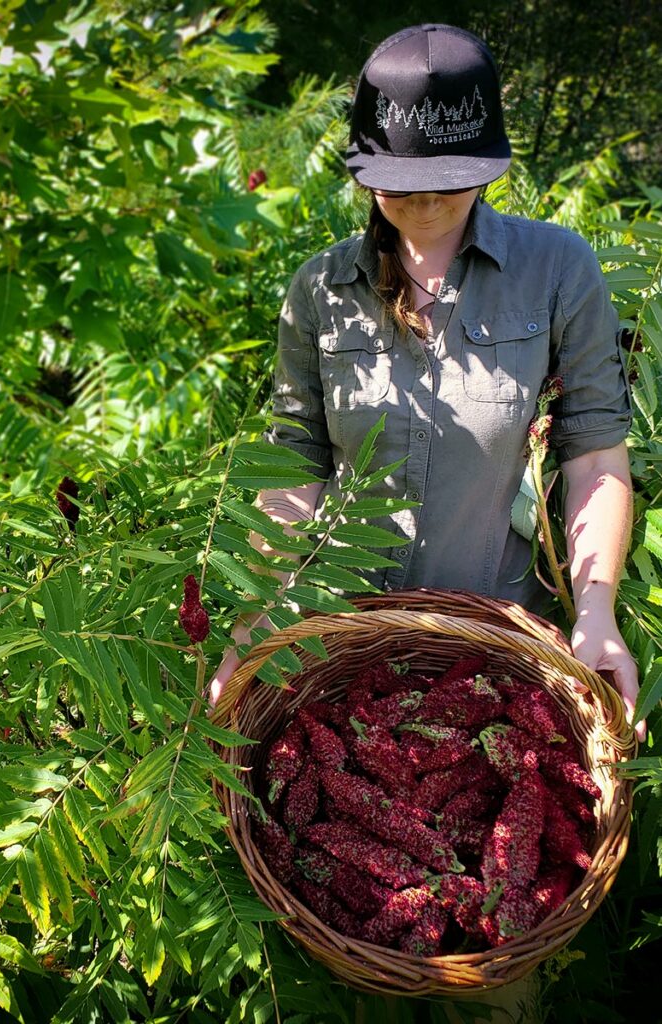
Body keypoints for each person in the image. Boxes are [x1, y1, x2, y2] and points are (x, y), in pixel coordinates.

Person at [210, 23, 642, 746]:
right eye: (400, 185)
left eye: (449, 180)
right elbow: (293, 464)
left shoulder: (557, 270)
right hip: (342, 650)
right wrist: (251, 622)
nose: (426, 203)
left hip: (501, 650)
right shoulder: (320, 289)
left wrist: (594, 611)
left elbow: (594, 454)